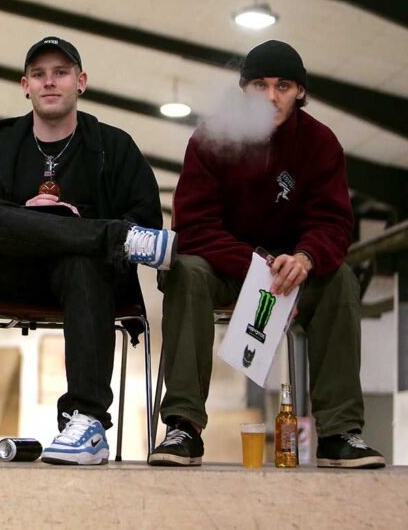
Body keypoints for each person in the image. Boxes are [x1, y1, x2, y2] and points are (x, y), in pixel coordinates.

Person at [149, 40, 385, 469]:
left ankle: (339, 432)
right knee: (185, 271)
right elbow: (195, 226)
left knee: (341, 280)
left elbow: (334, 223)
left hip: (294, 271)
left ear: (300, 91)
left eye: (283, 86)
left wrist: (306, 258)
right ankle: (183, 426)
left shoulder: (320, 143)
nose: (271, 96)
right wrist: (258, 266)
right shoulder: (211, 138)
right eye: (260, 85)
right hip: (226, 267)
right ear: (244, 89)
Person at [0, 36, 173, 466]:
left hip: (87, 283)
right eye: (39, 75)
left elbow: (147, 219)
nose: (49, 82)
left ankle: (88, 420)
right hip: (15, 275)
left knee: (81, 260)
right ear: (25, 86)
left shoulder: (114, 146)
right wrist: (33, 219)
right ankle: (105, 235)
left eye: (60, 73)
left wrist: (68, 229)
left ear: (81, 81)